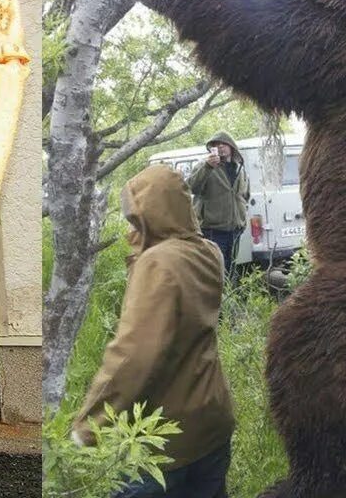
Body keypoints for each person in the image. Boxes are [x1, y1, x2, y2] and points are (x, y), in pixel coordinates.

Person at [73, 164, 235, 498]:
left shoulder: (158, 262)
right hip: (213, 419)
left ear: (149, 213)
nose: (131, 224)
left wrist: (90, 427)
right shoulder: (209, 253)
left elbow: (135, 355)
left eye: (135, 217)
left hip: (166, 436)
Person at [186, 132, 250, 274]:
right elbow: (191, 187)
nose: (220, 146)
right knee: (215, 271)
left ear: (231, 146)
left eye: (223, 143)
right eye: (215, 144)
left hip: (235, 230)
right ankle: (217, 296)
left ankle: (229, 295)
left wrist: (242, 220)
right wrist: (207, 167)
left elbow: (245, 196)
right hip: (213, 231)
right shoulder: (204, 166)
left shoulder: (240, 169)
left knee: (231, 270)